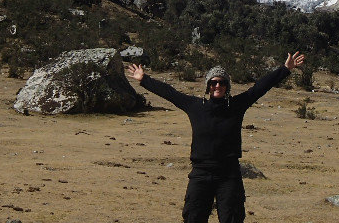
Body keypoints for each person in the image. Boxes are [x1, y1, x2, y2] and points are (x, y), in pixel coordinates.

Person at [127, 51, 305, 223]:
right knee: (193, 217)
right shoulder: (195, 106)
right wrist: (144, 79)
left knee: (232, 217)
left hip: (229, 174)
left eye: (221, 82)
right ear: (208, 86)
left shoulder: (236, 105)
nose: (217, 86)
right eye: (213, 83)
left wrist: (285, 69)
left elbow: (259, 88)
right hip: (200, 173)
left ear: (227, 86)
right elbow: (170, 93)